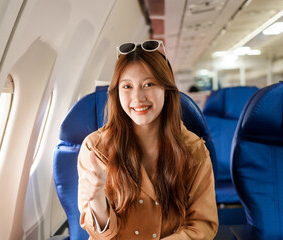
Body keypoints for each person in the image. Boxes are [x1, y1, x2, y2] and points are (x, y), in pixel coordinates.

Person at [77, 40, 218, 239]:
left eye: (148, 84)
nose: (137, 97)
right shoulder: (95, 148)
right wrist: (97, 199)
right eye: (127, 86)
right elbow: (99, 234)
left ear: (166, 90)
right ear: (117, 94)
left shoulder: (193, 149)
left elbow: (202, 225)